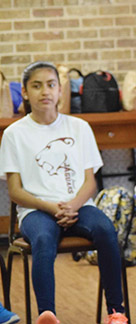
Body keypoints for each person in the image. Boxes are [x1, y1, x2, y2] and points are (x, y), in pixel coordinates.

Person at [0, 62, 128, 324]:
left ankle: (117, 312)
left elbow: (90, 183)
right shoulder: (14, 134)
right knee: (44, 239)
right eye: (36, 86)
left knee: (106, 230)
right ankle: (48, 315)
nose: (44, 91)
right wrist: (52, 207)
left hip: (80, 206)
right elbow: (15, 191)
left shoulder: (79, 128)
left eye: (51, 84)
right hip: (36, 211)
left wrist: (74, 205)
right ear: (25, 92)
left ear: (60, 91)